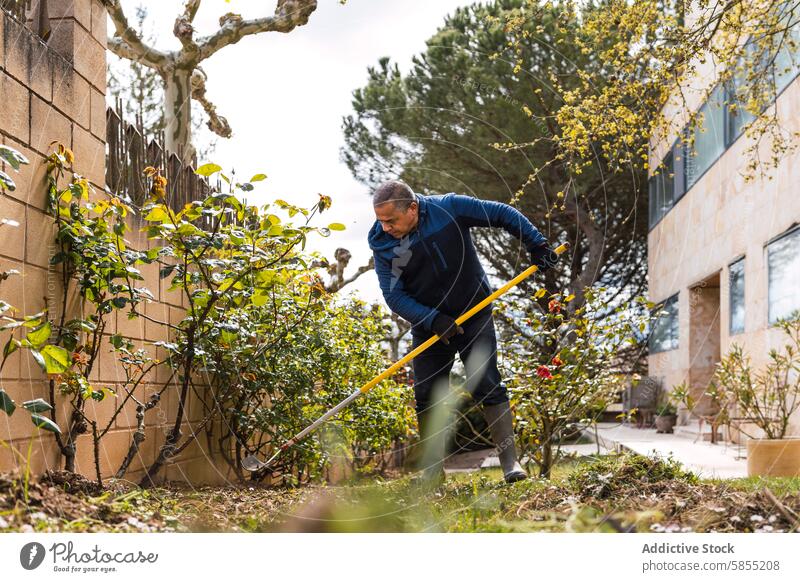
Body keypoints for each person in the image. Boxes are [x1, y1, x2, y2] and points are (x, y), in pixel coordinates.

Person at [367, 180, 559, 484]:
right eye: (380, 220)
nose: (385, 227)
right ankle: (432, 473)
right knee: (427, 394)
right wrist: (432, 319)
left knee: (485, 381)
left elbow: (501, 213)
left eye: (391, 220)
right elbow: (394, 296)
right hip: (430, 327)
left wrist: (536, 243)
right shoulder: (383, 244)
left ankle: (511, 463)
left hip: (474, 312)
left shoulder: (450, 208)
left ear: (413, 208)